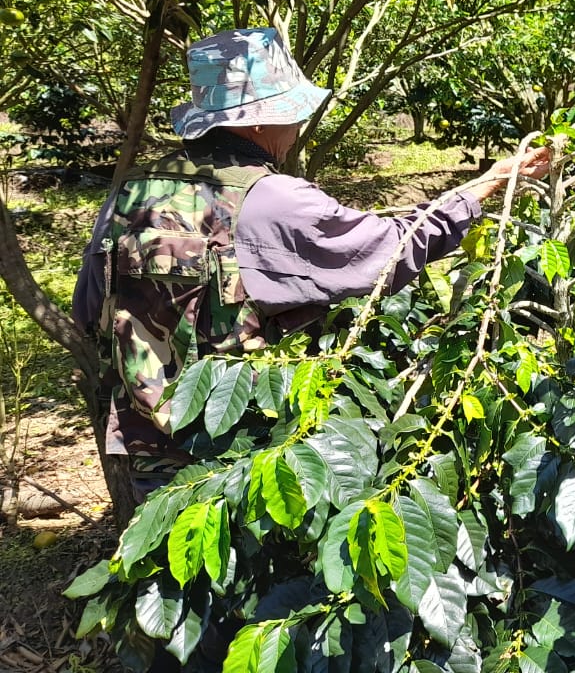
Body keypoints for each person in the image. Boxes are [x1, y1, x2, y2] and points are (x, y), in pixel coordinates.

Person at [73, 27, 550, 507]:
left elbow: (90, 307)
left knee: (173, 568)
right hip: (246, 449)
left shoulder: (131, 191)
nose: (298, 125)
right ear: (259, 122)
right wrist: (481, 189)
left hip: (149, 448)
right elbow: (384, 252)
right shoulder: (273, 198)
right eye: (292, 113)